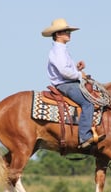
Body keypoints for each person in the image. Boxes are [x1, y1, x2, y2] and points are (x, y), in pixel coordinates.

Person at [42, 18, 104, 149]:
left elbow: (66, 68)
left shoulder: (61, 49)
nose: (69, 33)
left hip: (68, 82)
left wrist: (77, 69)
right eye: (66, 31)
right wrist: (79, 75)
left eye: (69, 31)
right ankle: (84, 137)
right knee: (88, 102)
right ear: (58, 34)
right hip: (65, 84)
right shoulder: (58, 50)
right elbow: (64, 71)